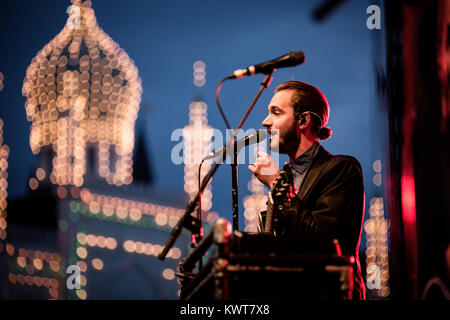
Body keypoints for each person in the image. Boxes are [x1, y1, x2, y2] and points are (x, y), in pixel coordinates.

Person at [248, 80, 366, 300]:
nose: (265, 122)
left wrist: (275, 185)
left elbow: (324, 241)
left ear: (303, 120)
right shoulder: (286, 177)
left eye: (276, 113)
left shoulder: (341, 168)